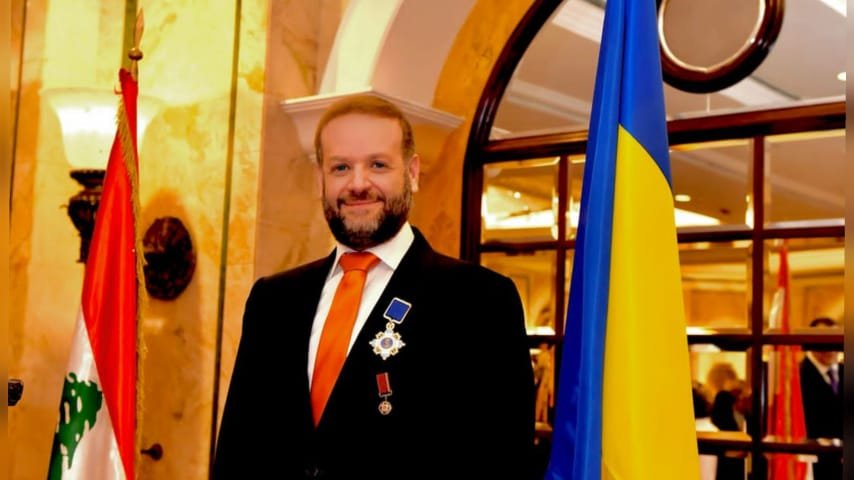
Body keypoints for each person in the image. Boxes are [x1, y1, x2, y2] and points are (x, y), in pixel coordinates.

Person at [213, 95, 535, 479]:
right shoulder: (273, 300)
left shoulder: (480, 301)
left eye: (378, 165)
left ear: (412, 173)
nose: (358, 184)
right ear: (320, 179)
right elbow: (237, 452)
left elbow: (503, 461)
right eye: (341, 167)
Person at [800, 317, 843, 480]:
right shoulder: (796, 376)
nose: (831, 348)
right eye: (825, 341)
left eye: (836, 341)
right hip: (817, 465)